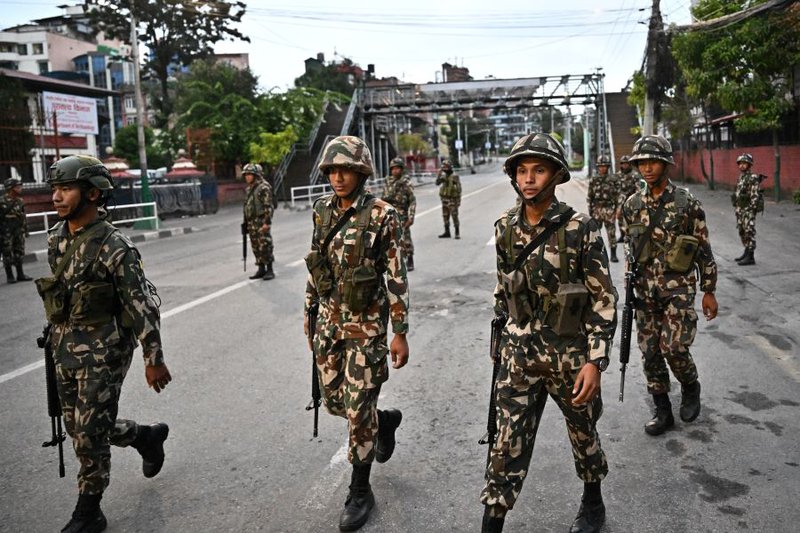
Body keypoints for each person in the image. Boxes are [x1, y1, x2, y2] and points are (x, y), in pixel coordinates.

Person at [481, 133, 618, 533]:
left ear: (556, 174)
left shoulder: (580, 228)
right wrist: (500, 339)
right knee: (506, 443)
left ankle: (593, 499)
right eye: (522, 171)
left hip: (570, 357)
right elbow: (502, 287)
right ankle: (492, 521)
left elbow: (603, 298)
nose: (529, 179)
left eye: (538, 170)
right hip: (520, 356)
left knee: (583, 431)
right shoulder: (505, 227)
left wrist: (595, 361)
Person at [35, 155, 172, 532]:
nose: (56, 197)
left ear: (92, 193)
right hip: (65, 346)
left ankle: (89, 510)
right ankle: (145, 436)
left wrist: (153, 357)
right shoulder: (56, 239)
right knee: (79, 426)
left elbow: (141, 305)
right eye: (55, 189)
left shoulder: (116, 247)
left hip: (106, 348)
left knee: (90, 431)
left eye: (65, 189)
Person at [303, 136, 409, 532]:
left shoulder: (383, 215)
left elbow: (396, 276)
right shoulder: (322, 212)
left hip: (367, 327)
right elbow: (316, 264)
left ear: (361, 172)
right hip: (329, 322)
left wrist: (400, 331)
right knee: (336, 402)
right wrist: (309, 312)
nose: (338, 177)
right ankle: (385, 421)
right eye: (332, 170)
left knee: (358, 409)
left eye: (345, 169)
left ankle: (360, 490)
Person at [622, 135, 718, 437]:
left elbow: (702, 247)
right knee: (650, 352)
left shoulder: (686, 203)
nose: (646, 168)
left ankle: (690, 385)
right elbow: (631, 245)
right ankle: (662, 410)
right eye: (641, 163)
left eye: (652, 162)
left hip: (678, 287)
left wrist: (709, 290)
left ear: (665, 164)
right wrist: (628, 276)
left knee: (674, 347)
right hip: (644, 291)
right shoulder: (632, 205)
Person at [381, 157, 417, 271]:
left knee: (405, 238)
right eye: (393, 169)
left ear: (402, 169)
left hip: (402, 214)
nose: (395, 171)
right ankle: (392, 261)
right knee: (387, 239)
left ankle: (410, 258)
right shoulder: (388, 181)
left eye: (398, 168)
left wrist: (411, 217)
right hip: (389, 213)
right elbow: (383, 198)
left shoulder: (406, 182)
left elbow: (412, 200)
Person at [242, 162, 275, 280]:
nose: (247, 177)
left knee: (265, 245)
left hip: (261, 221)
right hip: (252, 223)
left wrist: (267, 222)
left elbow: (268, 206)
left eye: (250, 174)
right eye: (246, 175)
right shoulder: (249, 189)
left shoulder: (263, 187)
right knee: (256, 246)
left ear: (256, 175)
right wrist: (246, 223)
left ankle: (269, 269)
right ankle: (261, 268)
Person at [586, 154, 619, 262]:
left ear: (608, 167)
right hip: (597, 209)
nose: (603, 168)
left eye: (605, 166)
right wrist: (590, 210)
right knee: (595, 234)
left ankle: (613, 254)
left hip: (609, 208)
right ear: (598, 167)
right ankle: (596, 254)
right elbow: (590, 196)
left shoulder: (613, 179)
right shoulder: (594, 179)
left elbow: (618, 195)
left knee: (611, 232)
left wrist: (616, 209)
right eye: (600, 166)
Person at [731, 153, 762, 266]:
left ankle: (750, 256)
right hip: (740, 209)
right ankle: (746, 251)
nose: (742, 166)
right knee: (742, 231)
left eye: (744, 163)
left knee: (749, 231)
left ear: (749, 164)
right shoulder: (741, 177)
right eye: (740, 163)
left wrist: (751, 210)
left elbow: (755, 196)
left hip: (748, 210)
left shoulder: (753, 178)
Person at [1, 177, 33, 283]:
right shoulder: (1, 201)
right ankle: (10, 276)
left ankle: (20, 274)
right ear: (10, 188)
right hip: (5, 232)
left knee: (19, 252)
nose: (20, 188)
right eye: (17, 186)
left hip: (18, 231)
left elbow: (23, 216)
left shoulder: (20, 201)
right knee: (7, 254)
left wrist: (26, 230)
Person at [614, 154, 642, 243]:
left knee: (631, 220)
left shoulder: (635, 175)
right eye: (623, 163)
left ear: (629, 164)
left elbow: (638, 189)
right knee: (620, 219)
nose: (625, 165)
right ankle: (622, 235)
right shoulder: (617, 175)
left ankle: (631, 236)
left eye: (627, 163)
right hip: (619, 202)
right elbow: (614, 189)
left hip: (631, 201)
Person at [435, 159, 462, 239]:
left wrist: (458, 201)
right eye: (444, 167)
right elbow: (437, 183)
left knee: (454, 215)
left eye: (446, 166)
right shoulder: (443, 176)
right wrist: (439, 175)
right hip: (444, 199)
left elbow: (459, 188)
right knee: (445, 216)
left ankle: (457, 232)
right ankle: (447, 232)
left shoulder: (454, 176)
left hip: (453, 200)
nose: (445, 168)